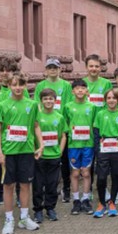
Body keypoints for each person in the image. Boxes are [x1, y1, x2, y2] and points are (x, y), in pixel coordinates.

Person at [0, 72, 43, 234]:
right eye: (14, 84)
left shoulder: (32, 104)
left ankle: (24, 217)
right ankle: (9, 220)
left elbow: (36, 126)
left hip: (26, 150)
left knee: (25, 184)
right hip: (9, 152)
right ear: (8, 85)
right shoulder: (2, 105)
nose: (17, 88)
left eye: (21, 84)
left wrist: (41, 145)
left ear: (25, 85)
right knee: (8, 185)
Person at [34, 58, 73, 203]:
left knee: (62, 159)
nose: (52, 70)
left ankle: (66, 188)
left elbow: (68, 105)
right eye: (49, 67)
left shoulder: (65, 85)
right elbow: (38, 105)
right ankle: (46, 187)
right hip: (44, 126)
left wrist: (62, 123)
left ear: (59, 69)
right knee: (43, 157)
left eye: (55, 67)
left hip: (60, 125)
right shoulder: (40, 85)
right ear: (46, 70)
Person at [92, 89, 118, 218]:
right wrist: (97, 150)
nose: (111, 100)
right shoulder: (100, 114)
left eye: (114, 98)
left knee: (117, 176)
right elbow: (96, 133)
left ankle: (112, 201)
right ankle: (101, 202)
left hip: (117, 148)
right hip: (104, 149)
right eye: (109, 98)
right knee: (101, 177)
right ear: (105, 100)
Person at [32, 89, 67, 223]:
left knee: (52, 184)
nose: (48, 101)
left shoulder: (59, 117)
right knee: (38, 184)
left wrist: (60, 151)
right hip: (40, 157)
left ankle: (50, 208)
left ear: (55, 100)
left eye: (51, 99)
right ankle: (38, 210)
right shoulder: (37, 117)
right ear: (41, 101)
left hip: (54, 156)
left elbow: (63, 135)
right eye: (45, 99)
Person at [63, 79, 96, 215]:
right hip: (73, 145)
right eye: (77, 88)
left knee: (86, 172)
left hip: (88, 144)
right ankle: (76, 200)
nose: (80, 90)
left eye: (83, 88)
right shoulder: (68, 107)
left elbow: (94, 124)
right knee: (75, 173)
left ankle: (86, 199)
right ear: (73, 91)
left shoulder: (92, 107)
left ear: (87, 90)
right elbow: (65, 124)